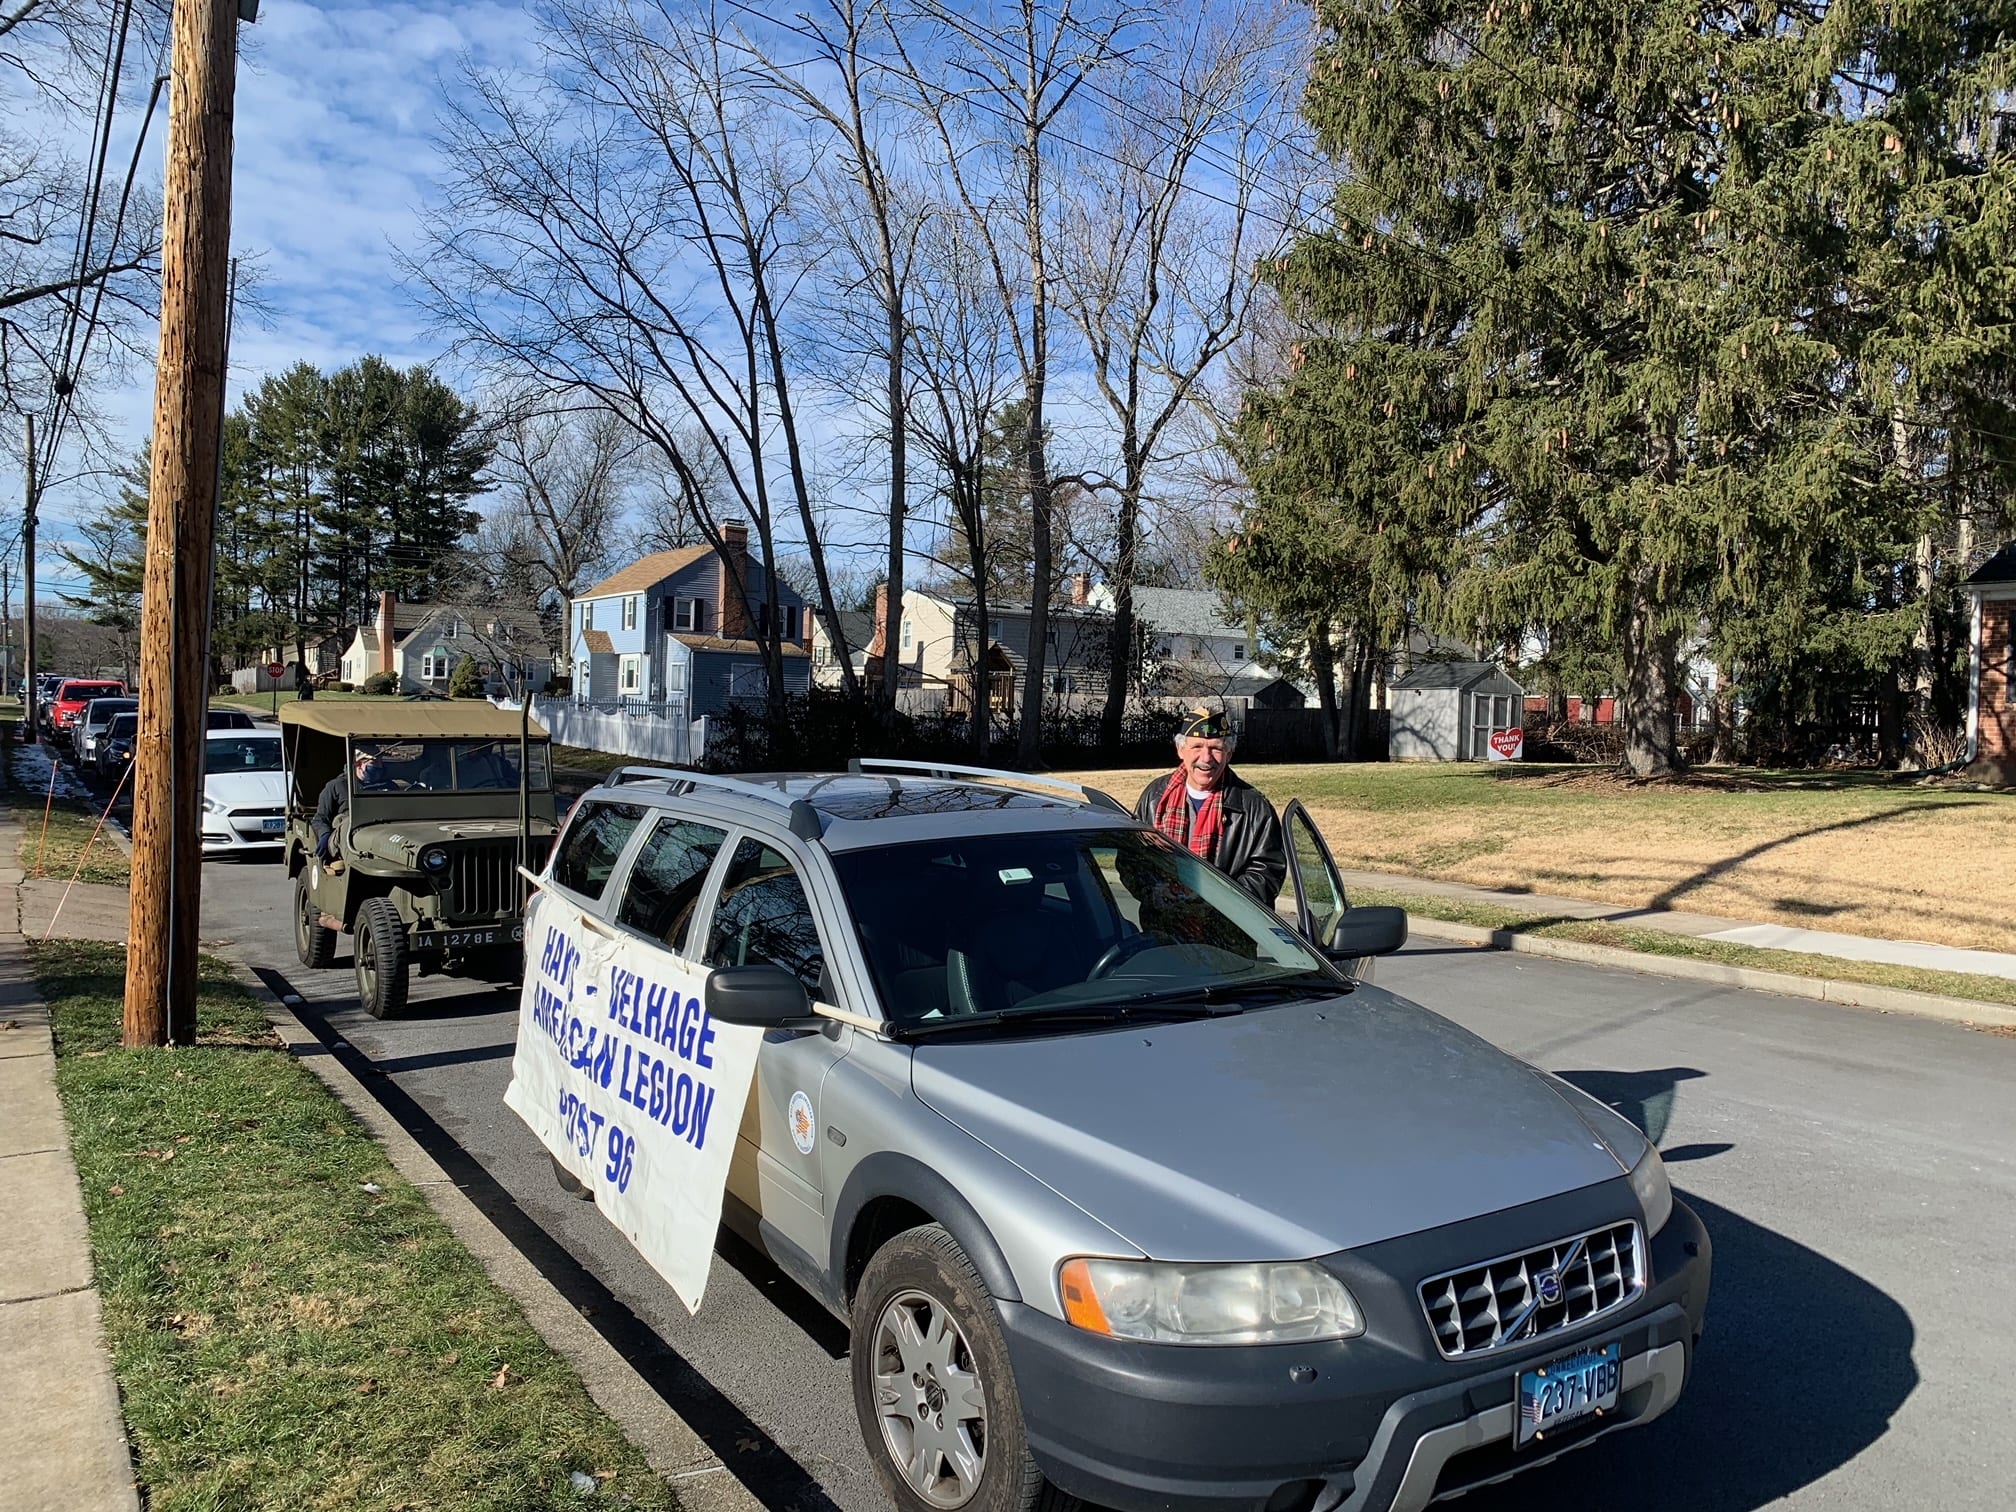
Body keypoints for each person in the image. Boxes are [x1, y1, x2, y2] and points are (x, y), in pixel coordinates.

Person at [1134, 707, 1287, 905]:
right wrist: (1153, 892)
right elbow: (1133, 858)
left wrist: (1217, 901)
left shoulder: (1254, 808)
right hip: (1162, 926)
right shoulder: (1155, 797)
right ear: (1181, 750)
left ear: (1229, 753)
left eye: (1216, 748)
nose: (1206, 758)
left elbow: (1268, 871)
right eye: (1197, 747)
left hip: (1224, 931)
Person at [314, 748, 383, 867]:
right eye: (373, 763)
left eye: (380, 762)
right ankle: (351, 866)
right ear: (358, 763)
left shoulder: (388, 786)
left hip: (376, 836)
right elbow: (320, 818)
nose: (379, 766)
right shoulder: (336, 786)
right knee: (346, 820)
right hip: (344, 839)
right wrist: (324, 835)